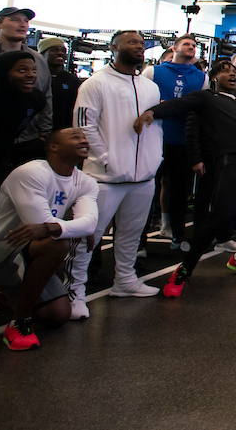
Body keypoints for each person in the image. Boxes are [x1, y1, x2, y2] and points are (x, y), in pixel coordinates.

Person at [134, 58, 236, 298]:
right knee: (219, 217)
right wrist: (152, 112)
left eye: (233, 72)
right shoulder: (206, 98)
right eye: (225, 72)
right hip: (232, 162)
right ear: (214, 78)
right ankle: (183, 271)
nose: (231, 75)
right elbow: (178, 105)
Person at [66, 30, 165, 319]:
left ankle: (125, 280)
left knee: (132, 235)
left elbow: (154, 124)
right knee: (88, 237)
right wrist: (106, 160)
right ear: (114, 46)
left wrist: (155, 158)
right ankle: (75, 293)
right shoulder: (95, 83)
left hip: (143, 177)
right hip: (104, 178)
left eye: (141, 43)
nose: (139, 46)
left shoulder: (149, 86)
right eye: (132, 42)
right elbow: (84, 127)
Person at [0, 128, 97, 351]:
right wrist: (71, 228)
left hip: (18, 253)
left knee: (58, 315)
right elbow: (41, 224)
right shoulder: (31, 172)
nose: (83, 139)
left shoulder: (86, 183)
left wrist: (59, 227)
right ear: (52, 147)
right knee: (56, 243)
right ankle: (20, 323)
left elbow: (89, 223)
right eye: (74, 136)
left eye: (84, 137)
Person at [141, 34, 208, 249]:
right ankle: (139, 243)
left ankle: (178, 236)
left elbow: (201, 109)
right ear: (174, 48)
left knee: (180, 192)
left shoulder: (201, 77)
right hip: (154, 140)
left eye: (194, 45)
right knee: (145, 192)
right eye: (186, 44)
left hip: (182, 142)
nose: (191, 47)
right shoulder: (153, 72)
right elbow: (140, 101)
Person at [0, 52, 49, 214]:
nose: (31, 76)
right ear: (3, 72)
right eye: (22, 70)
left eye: (34, 70)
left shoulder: (35, 99)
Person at [0, 7, 52, 159]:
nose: (23, 25)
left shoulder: (38, 60)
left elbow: (46, 98)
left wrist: (44, 135)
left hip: (29, 141)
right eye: (15, 20)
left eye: (26, 21)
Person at [37, 37, 79, 132]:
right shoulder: (35, 78)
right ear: (42, 54)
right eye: (54, 50)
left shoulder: (72, 80)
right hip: (37, 133)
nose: (60, 53)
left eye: (63, 51)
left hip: (63, 133)